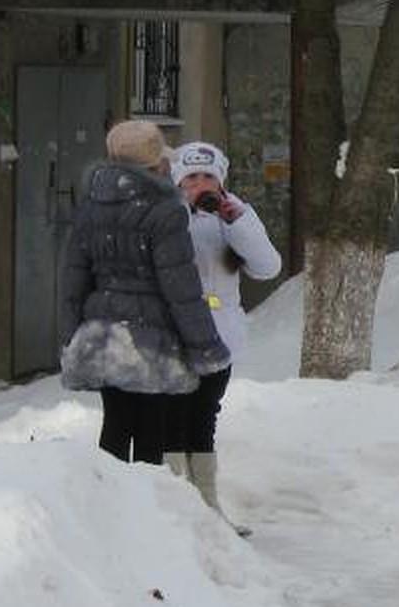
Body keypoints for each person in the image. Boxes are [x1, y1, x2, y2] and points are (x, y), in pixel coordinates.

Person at [59, 121, 231, 465]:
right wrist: (206, 348)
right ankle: (147, 512)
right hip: (153, 338)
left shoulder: (91, 204)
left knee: (116, 425)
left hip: (104, 334)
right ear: (157, 163)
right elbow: (180, 287)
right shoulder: (165, 210)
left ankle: (107, 506)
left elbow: (73, 280)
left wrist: (70, 336)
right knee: (154, 431)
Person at [165, 141, 282, 521]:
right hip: (177, 334)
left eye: (209, 177)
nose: (201, 185)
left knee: (204, 417)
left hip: (220, 336)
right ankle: (177, 507)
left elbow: (267, 268)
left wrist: (238, 220)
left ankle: (208, 507)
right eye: (192, 178)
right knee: (174, 419)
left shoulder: (234, 216)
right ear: (179, 182)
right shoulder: (167, 215)